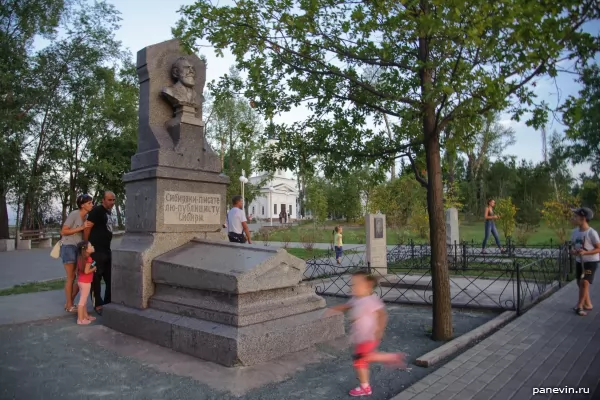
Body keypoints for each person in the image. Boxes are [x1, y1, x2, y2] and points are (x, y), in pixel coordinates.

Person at [326, 271, 406, 397]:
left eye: (357, 284)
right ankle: (390, 359)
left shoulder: (371, 300)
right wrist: (335, 309)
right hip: (361, 337)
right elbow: (348, 306)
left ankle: (366, 386)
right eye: (352, 284)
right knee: (364, 358)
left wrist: (379, 330)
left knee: (360, 360)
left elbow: (382, 314)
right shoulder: (356, 299)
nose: (353, 287)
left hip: (369, 336)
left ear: (368, 286)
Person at [59, 194, 93, 313]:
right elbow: (63, 231)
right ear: (82, 205)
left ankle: (70, 301)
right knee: (71, 277)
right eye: (89, 203)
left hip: (78, 248)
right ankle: (69, 305)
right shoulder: (74, 214)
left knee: (80, 277)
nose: (91, 205)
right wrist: (81, 227)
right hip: (68, 246)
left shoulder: (87, 217)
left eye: (91, 202)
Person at [84, 191, 116, 316]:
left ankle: (108, 302)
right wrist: (86, 245)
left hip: (106, 251)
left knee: (110, 278)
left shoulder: (108, 213)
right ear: (103, 200)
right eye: (109, 200)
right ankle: (98, 304)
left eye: (113, 200)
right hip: (96, 252)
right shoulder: (96, 211)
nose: (112, 202)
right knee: (96, 279)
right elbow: (87, 228)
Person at [571, 207, 600, 316]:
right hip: (580, 261)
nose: (574, 218)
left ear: (583, 218)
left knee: (584, 282)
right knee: (579, 283)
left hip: (590, 262)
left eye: (576, 216)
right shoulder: (574, 232)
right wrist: (573, 251)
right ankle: (588, 304)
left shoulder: (591, 233)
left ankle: (579, 306)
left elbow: (598, 248)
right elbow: (573, 247)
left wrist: (585, 253)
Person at [75, 240, 97, 325]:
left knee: (83, 300)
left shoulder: (80, 258)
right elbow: (87, 271)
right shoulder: (88, 259)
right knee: (82, 302)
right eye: (90, 246)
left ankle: (85, 316)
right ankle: (80, 320)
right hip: (86, 282)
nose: (92, 247)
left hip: (81, 281)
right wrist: (94, 268)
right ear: (86, 250)